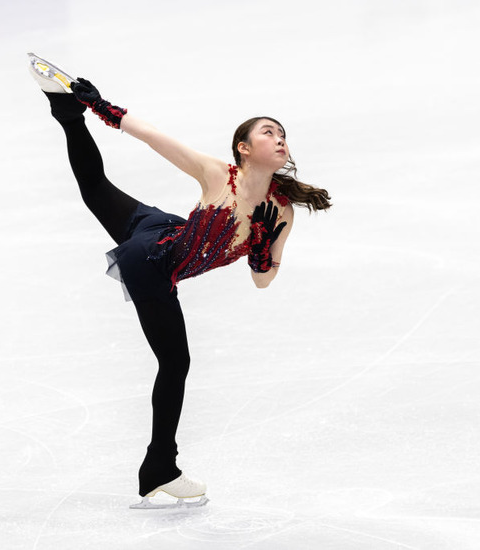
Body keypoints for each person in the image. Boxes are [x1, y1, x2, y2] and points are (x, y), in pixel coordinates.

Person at [27, 53, 331, 507]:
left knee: (95, 190)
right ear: (243, 148)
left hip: (160, 230)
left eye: (283, 134)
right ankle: (159, 469)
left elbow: (263, 281)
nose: (280, 138)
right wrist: (101, 106)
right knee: (176, 364)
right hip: (152, 261)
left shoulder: (280, 212)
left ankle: (63, 112)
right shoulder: (219, 174)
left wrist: (264, 246)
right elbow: (155, 138)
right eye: (269, 131)